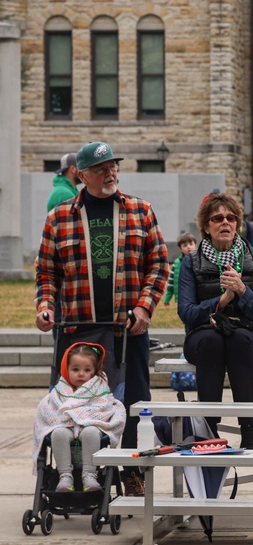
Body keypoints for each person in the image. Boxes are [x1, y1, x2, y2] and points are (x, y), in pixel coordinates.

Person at [35, 141, 169, 497]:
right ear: (82, 176)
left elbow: (158, 265)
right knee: (73, 404)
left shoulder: (140, 211)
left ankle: (131, 471)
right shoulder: (59, 217)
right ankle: (75, 472)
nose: (110, 173)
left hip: (128, 330)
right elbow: (47, 273)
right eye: (101, 169)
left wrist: (144, 307)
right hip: (77, 332)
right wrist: (45, 306)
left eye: (113, 166)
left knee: (133, 401)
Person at [177, 193, 253, 450]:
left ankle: (249, 429)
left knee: (239, 340)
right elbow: (186, 312)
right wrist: (220, 301)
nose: (225, 223)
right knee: (211, 341)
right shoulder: (190, 261)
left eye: (231, 218)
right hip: (203, 331)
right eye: (217, 218)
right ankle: (209, 430)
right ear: (206, 226)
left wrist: (241, 290)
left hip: (247, 331)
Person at [32, 341, 126, 492]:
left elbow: (103, 406)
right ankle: (65, 476)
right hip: (64, 425)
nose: (81, 374)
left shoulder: (99, 387)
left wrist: (84, 418)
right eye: (75, 369)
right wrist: (69, 418)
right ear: (66, 369)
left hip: (92, 425)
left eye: (87, 369)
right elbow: (50, 407)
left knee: (91, 432)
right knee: (58, 433)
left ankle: (90, 474)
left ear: (94, 372)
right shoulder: (61, 389)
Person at [162, 232, 197, 306]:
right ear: (180, 249)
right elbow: (171, 282)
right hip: (182, 297)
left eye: (191, 244)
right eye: (185, 245)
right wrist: (167, 298)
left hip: (197, 296)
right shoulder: (176, 263)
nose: (188, 247)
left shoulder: (200, 261)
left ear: (195, 245)